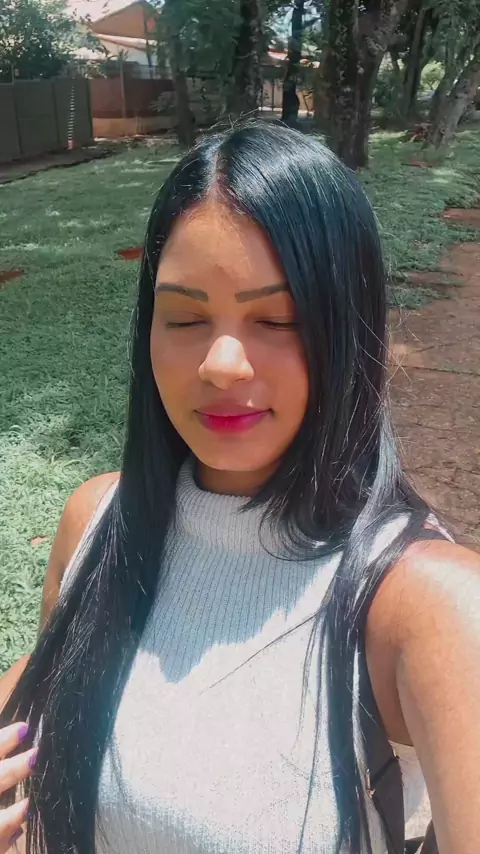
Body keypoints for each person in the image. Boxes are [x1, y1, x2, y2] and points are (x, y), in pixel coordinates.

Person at [0, 122, 479, 854]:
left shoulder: (429, 606)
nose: (222, 364)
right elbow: (39, 718)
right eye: (185, 317)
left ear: (350, 329)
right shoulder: (96, 524)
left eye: (278, 318)